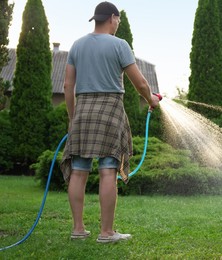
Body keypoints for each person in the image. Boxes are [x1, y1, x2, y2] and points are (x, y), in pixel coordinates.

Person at [60, 1, 160, 243]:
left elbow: (67, 87)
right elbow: (141, 84)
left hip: (83, 110)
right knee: (107, 172)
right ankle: (106, 233)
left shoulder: (77, 45)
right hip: (110, 109)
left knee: (79, 172)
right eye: (118, 21)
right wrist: (151, 100)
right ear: (113, 18)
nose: (118, 25)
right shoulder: (120, 45)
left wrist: (73, 118)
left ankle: (78, 230)